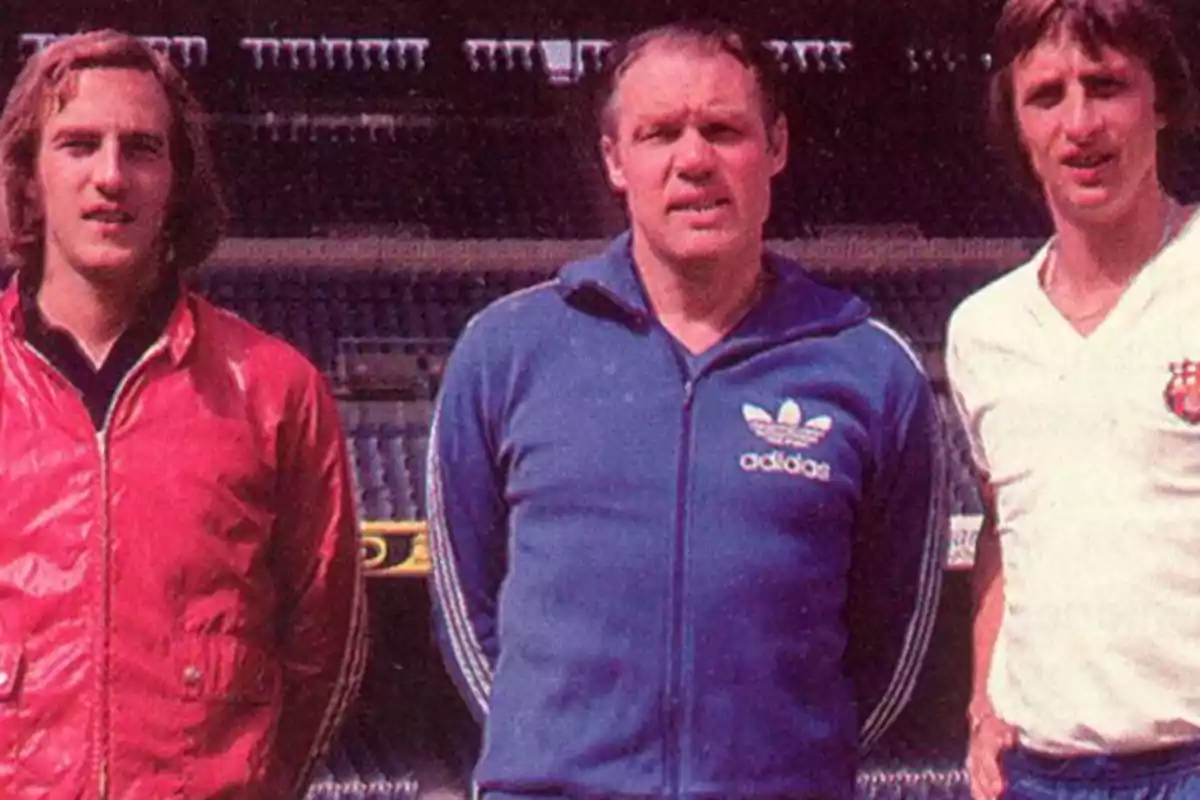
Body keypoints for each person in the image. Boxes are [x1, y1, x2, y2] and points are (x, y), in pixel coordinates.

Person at [429, 21, 946, 798]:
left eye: (724, 130)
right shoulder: (506, 352)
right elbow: (467, 617)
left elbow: (890, 648)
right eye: (660, 132)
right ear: (615, 159)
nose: (694, 160)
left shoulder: (871, 370)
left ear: (776, 147)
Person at [0, 30, 367, 797]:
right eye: (77, 145)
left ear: (177, 180)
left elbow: (322, 649)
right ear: (28, 178)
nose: (110, 176)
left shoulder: (275, 391)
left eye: (141, 148)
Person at [946, 0, 1200, 797]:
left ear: (1162, 100)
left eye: (1108, 84)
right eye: (1047, 95)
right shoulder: (982, 332)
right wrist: (984, 704)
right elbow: (1006, 536)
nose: (1080, 122)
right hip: (1043, 773)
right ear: (1016, 123)